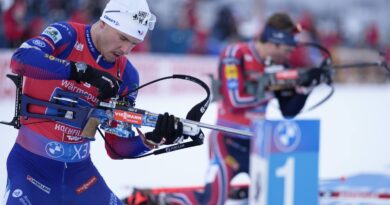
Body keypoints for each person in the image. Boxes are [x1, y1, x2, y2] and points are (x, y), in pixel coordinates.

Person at [127, 12, 327, 205]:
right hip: (227, 140)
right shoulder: (236, 53)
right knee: (213, 200)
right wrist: (273, 83)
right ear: (276, 42)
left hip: (258, 143)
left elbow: (288, 110)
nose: (289, 54)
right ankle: (156, 201)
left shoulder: (279, 66)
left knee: (273, 196)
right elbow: (235, 99)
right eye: (287, 49)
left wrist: (306, 86)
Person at [4, 0, 184, 204]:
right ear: (104, 23)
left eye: (133, 43)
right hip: (32, 169)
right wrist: (82, 71)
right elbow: (21, 59)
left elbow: (115, 148)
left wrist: (151, 139)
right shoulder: (67, 34)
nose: (125, 49)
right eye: (123, 38)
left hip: (81, 178)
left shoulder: (127, 75)